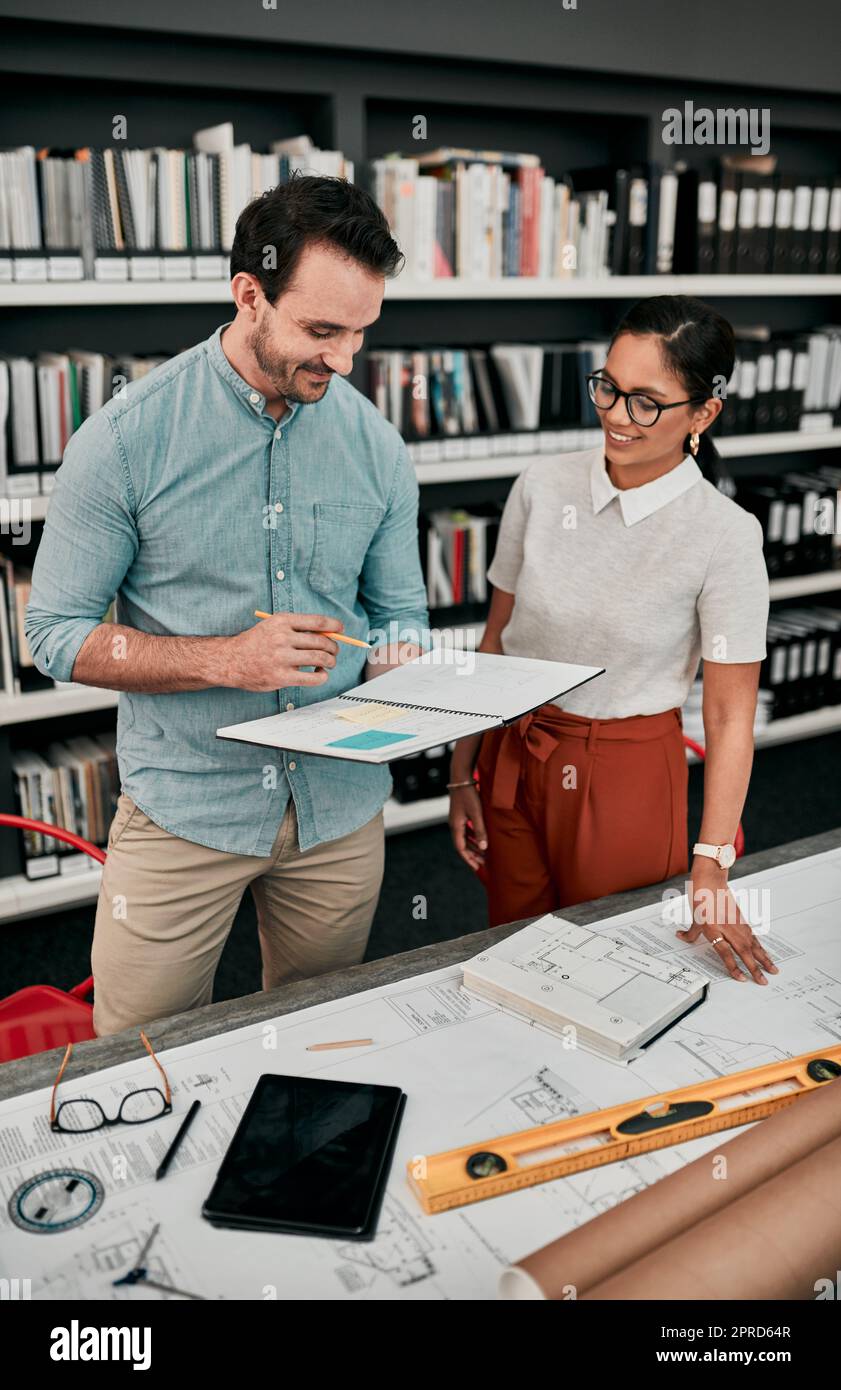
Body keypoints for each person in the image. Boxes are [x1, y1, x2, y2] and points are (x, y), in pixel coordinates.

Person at [26, 175, 429, 1036]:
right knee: (140, 1060)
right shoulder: (126, 441)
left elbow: (399, 614)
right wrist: (222, 660)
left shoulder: (378, 447)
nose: (346, 360)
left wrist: (407, 667)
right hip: (185, 809)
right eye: (321, 331)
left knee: (323, 1041)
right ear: (249, 294)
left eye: (362, 332)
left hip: (340, 808)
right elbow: (52, 637)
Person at [449, 295, 778, 985]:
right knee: (513, 960)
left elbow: (726, 716)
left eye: (645, 402)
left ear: (703, 414)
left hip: (622, 775)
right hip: (513, 754)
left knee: (613, 975)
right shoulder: (541, 484)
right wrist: (463, 771)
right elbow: (495, 643)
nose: (615, 416)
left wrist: (711, 859)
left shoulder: (724, 535)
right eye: (608, 387)